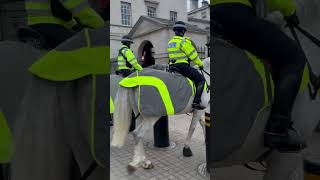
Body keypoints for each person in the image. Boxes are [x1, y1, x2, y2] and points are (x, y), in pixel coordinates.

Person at [212, 0, 307, 152]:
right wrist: (290, 12)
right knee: (294, 59)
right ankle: (277, 131)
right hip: (234, 14)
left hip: (213, 15)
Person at [25, 0, 105, 48]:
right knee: (87, 47)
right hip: (52, 27)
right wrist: (103, 27)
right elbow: (81, 10)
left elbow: (57, 10)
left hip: (35, 25)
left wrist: (73, 25)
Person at [167, 21, 206, 110]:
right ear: (183, 31)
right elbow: (194, 56)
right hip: (182, 67)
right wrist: (200, 64)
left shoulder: (170, 42)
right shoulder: (184, 42)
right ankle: (196, 102)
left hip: (172, 66)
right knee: (201, 80)